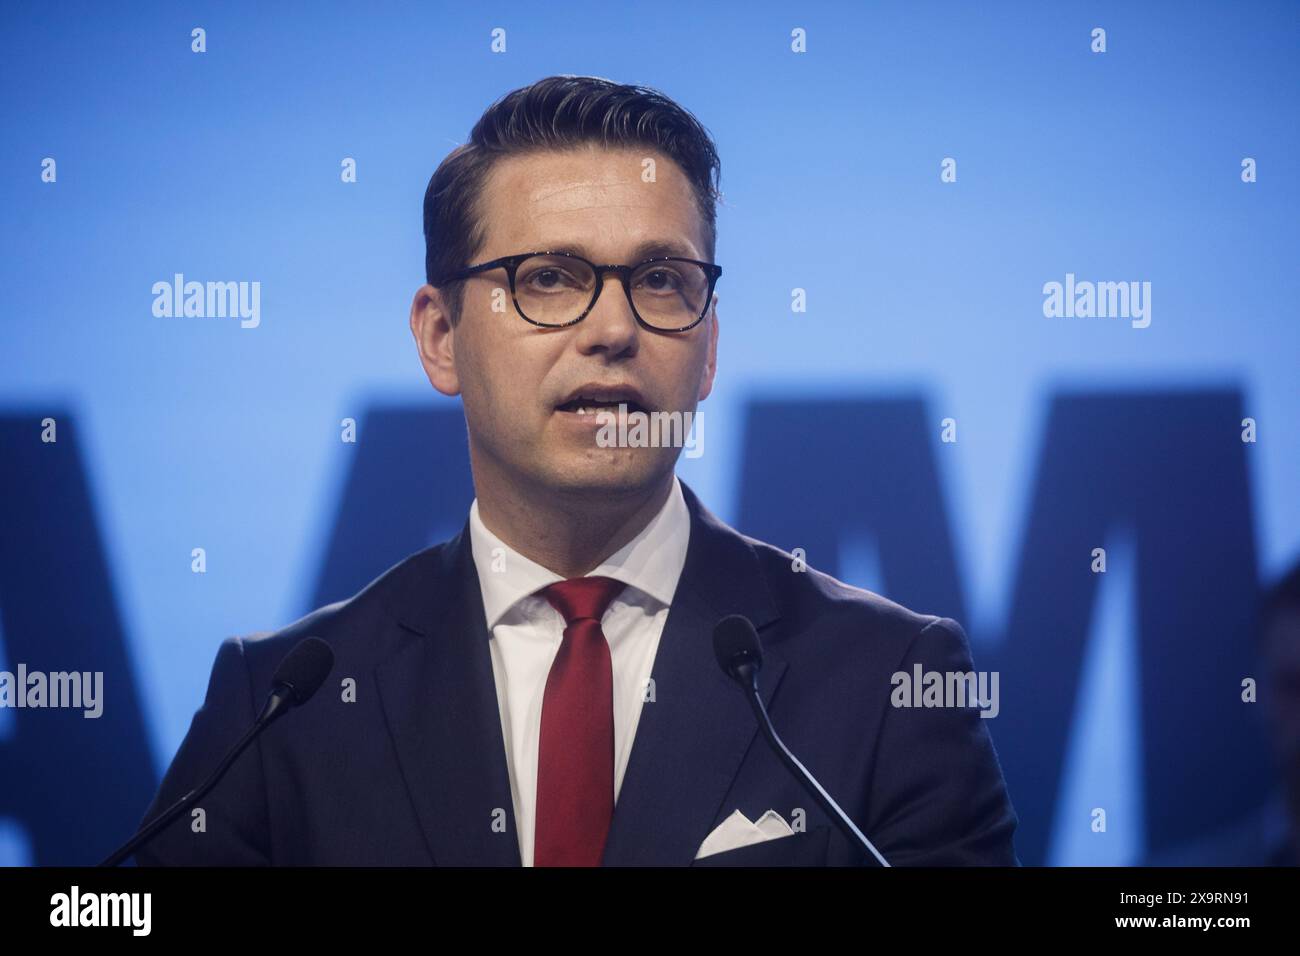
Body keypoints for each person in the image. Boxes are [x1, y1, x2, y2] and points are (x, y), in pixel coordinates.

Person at [135, 74, 1018, 867]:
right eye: (549, 277)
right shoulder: (283, 707)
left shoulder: (888, 681)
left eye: (662, 279)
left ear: (708, 350)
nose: (612, 330)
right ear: (440, 336)